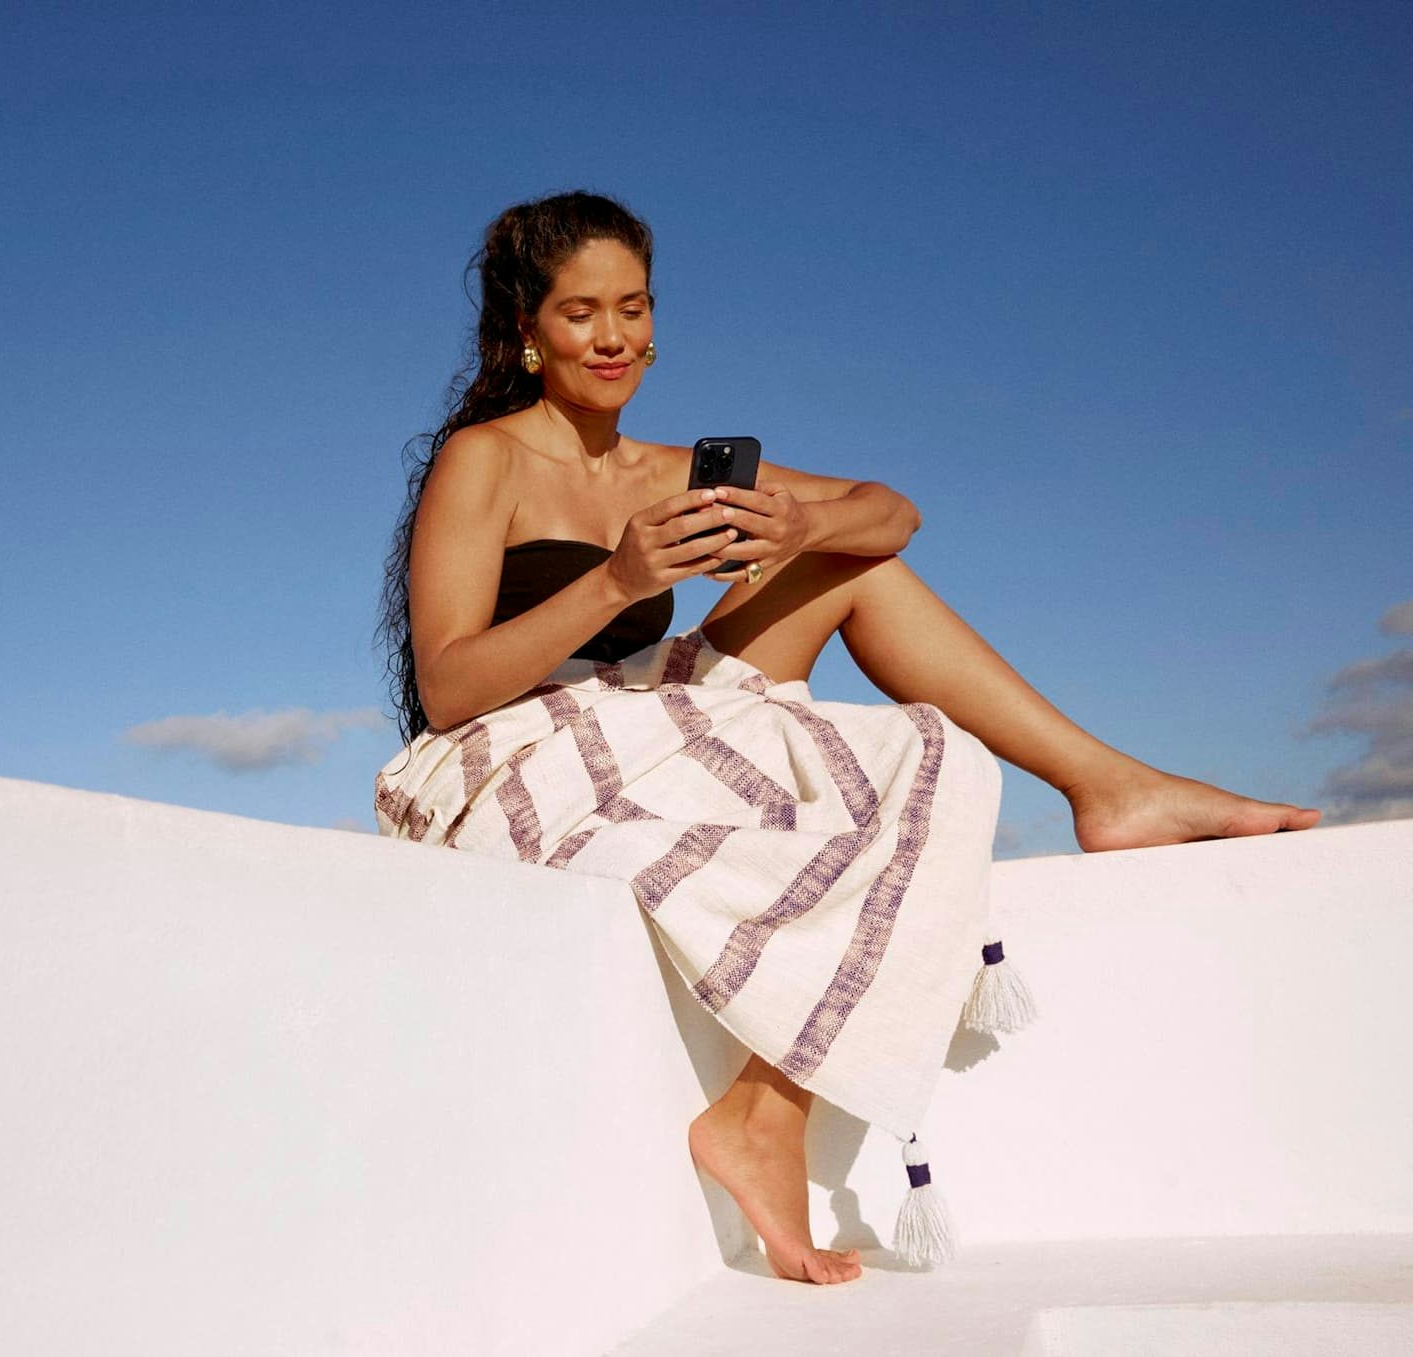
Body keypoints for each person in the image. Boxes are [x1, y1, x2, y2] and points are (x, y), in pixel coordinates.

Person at [373, 190, 1320, 1286]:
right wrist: (623, 579)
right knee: (847, 765)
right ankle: (769, 1113)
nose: (614, 337)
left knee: (871, 598)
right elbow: (449, 685)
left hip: (645, 707)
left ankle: (1107, 788)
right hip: (524, 740)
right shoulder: (483, 461)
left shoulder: (669, 466)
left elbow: (892, 511)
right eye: (581, 312)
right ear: (526, 332)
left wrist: (799, 524)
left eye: (633, 307)